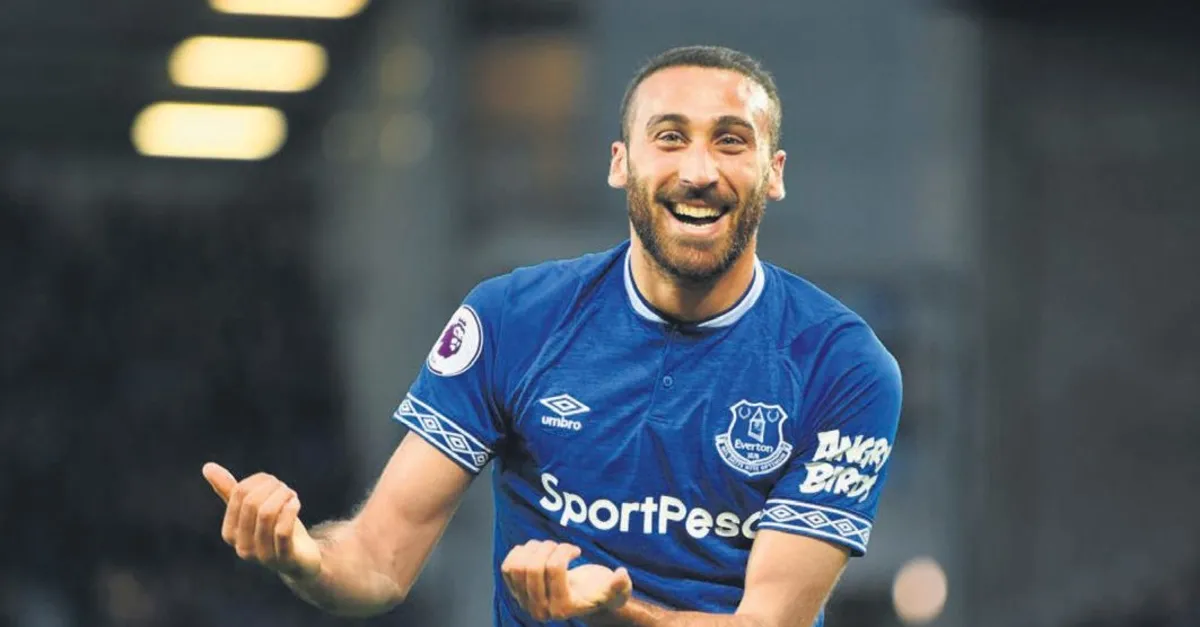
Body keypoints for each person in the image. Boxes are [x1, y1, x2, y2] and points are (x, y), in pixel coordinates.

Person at [203, 44, 902, 627]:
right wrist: (303, 558)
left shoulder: (843, 365)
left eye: (731, 140)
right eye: (669, 137)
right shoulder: (513, 319)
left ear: (773, 174)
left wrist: (617, 613)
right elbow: (377, 562)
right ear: (620, 163)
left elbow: (769, 622)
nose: (698, 171)